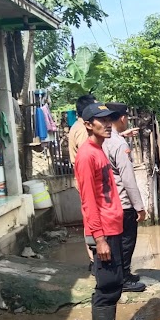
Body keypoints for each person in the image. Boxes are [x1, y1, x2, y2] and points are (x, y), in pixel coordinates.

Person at [75, 102, 134, 320]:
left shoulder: (100, 149)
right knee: (108, 284)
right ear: (88, 125)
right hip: (103, 231)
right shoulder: (87, 155)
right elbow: (88, 200)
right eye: (101, 120)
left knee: (117, 279)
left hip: (113, 225)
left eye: (109, 119)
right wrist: (99, 239)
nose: (108, 124)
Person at [103, 102, 146, 292]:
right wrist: (139, 206)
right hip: (124, 202)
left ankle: (123, 274)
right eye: (126, 117)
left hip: (110, 200)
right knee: (127, 241)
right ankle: (124, 278)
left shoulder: (103, 139)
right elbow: (128, 178)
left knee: (117, 242)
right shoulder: (120, 145)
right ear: (122, 118)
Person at [69, 94, 98, 272]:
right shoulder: (82, 130)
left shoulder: (78, 127)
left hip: (85, 179)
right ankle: (95, 260)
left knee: (90, 218)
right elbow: (87, 156)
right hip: (87, 180)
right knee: (91, 219)